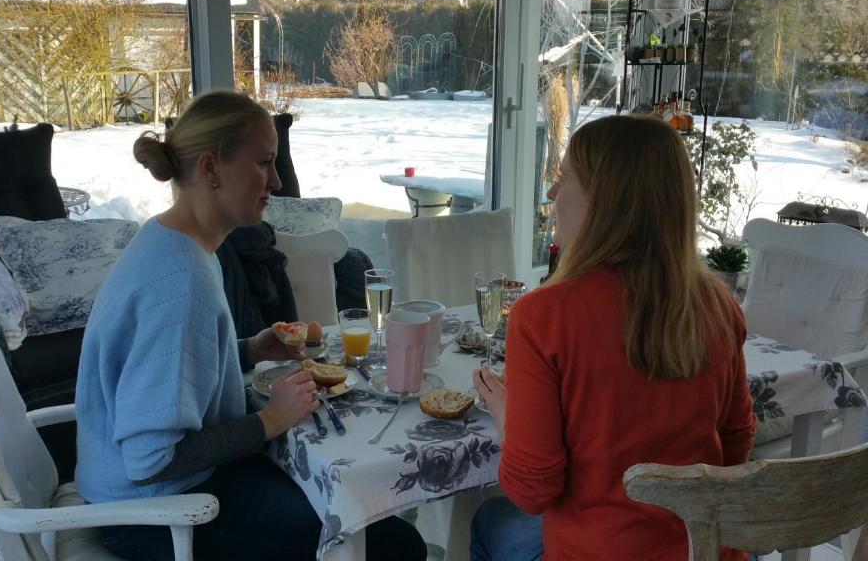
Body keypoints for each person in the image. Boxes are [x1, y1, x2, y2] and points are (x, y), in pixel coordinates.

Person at [75, 91, 426, 561]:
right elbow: (151, 459)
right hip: (156, 516)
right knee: (394, 547)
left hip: (160, 491)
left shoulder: (174, 241)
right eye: (263, 163)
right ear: (211, 169)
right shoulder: (181, 281)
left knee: (354, 501)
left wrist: (249, 350)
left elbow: (169, 367)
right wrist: (270, 419)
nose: (277, 181)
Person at [471, 115, 757, 561]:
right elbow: (736, 444)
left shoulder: (544, 316)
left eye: (564, 180)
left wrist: (509, 415)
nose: (551, 195)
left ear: (605, 202)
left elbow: (532, 490)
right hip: (706, 551)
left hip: (597, 551)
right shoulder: (718, 305)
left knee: (489, 521)